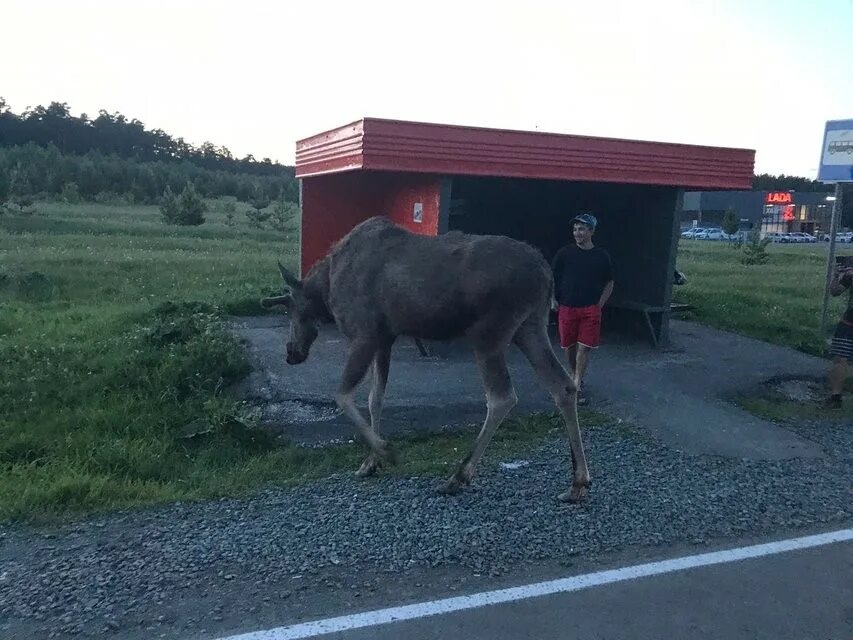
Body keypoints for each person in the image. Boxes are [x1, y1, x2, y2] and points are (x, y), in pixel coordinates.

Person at [551, 213, 614, 404]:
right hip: (567, 307)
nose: (577, 233)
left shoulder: (601, 256)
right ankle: (574, 373)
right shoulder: (564, 253)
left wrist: (600, 304)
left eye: (582, 229)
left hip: (590, 310)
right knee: (568, 347)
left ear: (591, 231)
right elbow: (552, 277)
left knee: (585, 347)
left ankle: (576, 384)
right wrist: (552, 299)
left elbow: (609, 282)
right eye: (575, 229)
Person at [827, 260, 853, 408]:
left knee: (840, 359)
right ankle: (835, 396)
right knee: (839, 358)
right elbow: (835, 292)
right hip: (849, 321)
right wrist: (837, 276)